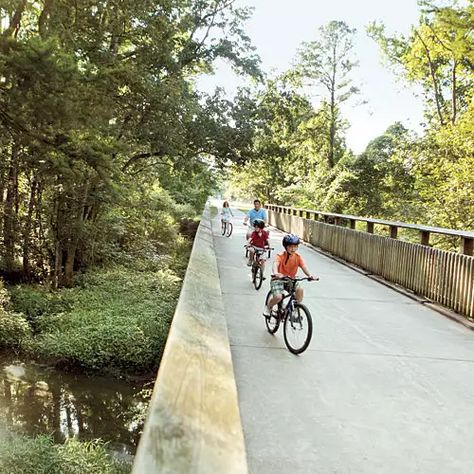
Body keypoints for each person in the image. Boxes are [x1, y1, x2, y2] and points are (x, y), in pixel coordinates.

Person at [263, 233, 315, 317]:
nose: (293, 249)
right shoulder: (280, 256)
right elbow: (275, 264)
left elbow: (303, 266)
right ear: (286, 247)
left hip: (290, 280)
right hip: (278, 280)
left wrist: (309, 275)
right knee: (278, 297)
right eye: (290, 246)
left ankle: (295, 309)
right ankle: (268, 307)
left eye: (295, 246)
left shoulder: (298, 257)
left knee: (300, 290)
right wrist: (276, 273)